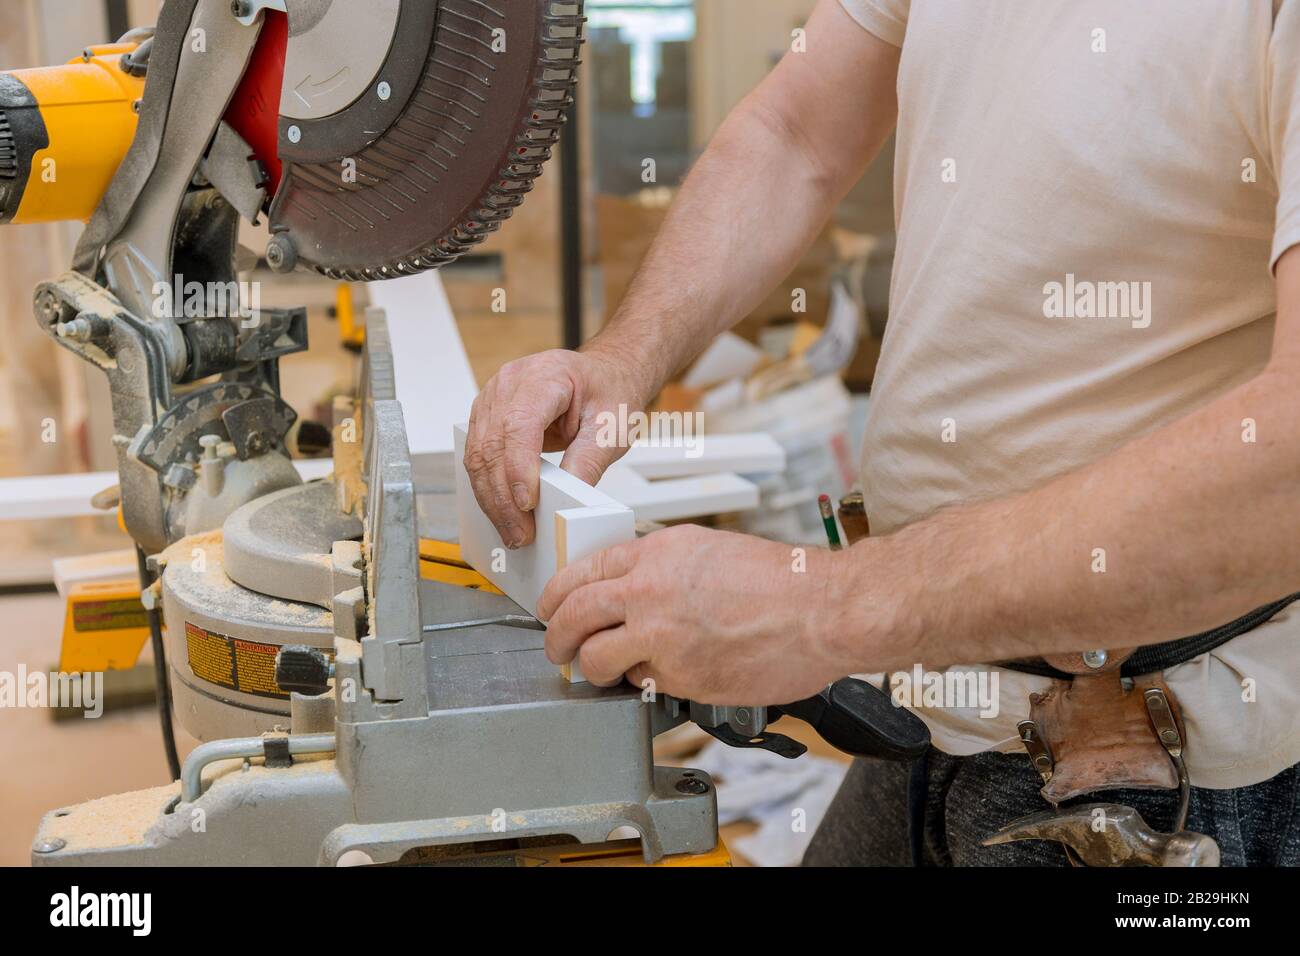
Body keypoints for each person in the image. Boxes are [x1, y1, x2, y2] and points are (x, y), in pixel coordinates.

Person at [463, 0, 1300, 865]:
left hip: (1149, 766)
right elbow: (797, 133)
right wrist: (623, 359)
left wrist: (821, 611)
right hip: (931, 707)